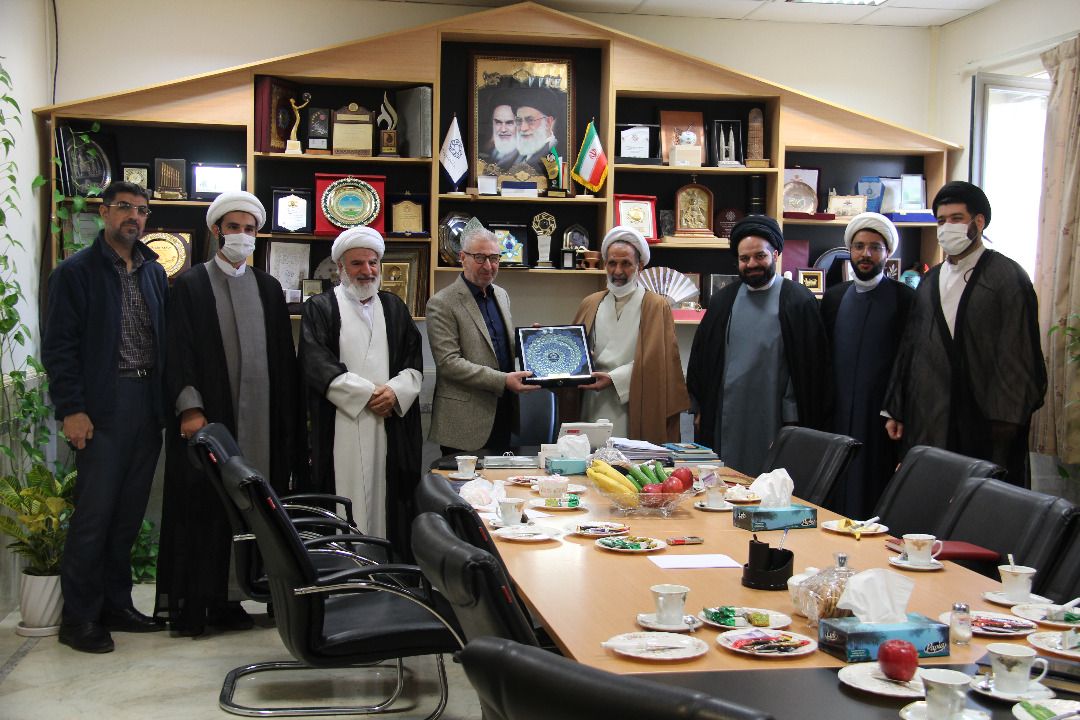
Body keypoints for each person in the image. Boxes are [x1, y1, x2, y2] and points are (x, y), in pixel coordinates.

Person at [155, 190, 302, 636]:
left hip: (263, 424)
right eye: (233, 227)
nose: (241, 235)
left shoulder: (268, 288)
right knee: (208, 509)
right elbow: (178, 352)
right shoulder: (191, 285)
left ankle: (249, 595)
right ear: (217, 230)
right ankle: (207, 602)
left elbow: (284, 360)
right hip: (212, 423)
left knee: (258, 508)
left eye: (249, 229)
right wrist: (190, 408)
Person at [42, 181, 168, 653]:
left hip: (146, 402)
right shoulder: (75, 273)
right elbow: (59, 348)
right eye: (124, 208)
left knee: (128, 515)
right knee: (94, 517)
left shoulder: (153, 271)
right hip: (101, 404)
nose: (134, 217)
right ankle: (78, 619)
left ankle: (116, 605)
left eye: (142, 210)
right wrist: (71, 409)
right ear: (104, 212)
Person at [884, 181, 1046, 486]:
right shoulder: (930, 280)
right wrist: (897, 407)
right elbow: (911, 347)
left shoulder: (1007, 278)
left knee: (979, 504)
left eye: (956, 218)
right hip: (931, 415)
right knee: (930, 498)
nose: (947, 227)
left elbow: (1018, 356)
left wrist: (1003, 427)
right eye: (941, 221)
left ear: (979, 222)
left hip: (984, 422)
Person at [299, 226, 423, 553]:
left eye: (373, 262)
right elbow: (315, 362)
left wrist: (395, 392)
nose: (367, 271)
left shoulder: (394, 308)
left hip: (388, 422)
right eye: (357, 263)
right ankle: (346, 571)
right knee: (345, 497)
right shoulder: (321, 307)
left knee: (388, 500)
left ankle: (388, 572)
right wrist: (367, 395)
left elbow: (413, 361)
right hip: (341, 420)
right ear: (340, 267)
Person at [686, 215, 831, 475]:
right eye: (745, 258)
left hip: (778, 417)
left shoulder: (798, 301)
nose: (752, 264)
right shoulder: (722, 301)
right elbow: (702, 360)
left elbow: (812, 369)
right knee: (726, 482)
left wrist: (792, 419)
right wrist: (700, 407)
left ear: (775, 254)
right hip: (727, 417)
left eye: (760, 256)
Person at [820, 212, 914, 517]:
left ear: (887, 253)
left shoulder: (905, 299)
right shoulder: (834, 298)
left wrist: (897, 409)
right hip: (837, 414)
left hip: (881, 418)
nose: (866, 254)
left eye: (875, 247)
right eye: (859, 246)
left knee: (873, 490)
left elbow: (909, 361)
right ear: (850, 250)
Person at [561, 226, 688, 443]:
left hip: (636, 403)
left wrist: (614, 378)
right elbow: (572, 352)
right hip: (592, 402)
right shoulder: (590, 303)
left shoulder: (656, 305)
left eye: (626, 263)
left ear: (640, 266)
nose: (618, 271)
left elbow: (660, 362)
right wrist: (548, 340)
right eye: (612, 263)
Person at [427, 219, 538, 455]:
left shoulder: (502, 295)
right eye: (480, 258)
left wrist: (531, 341)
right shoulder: (442, 303)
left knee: (500, 477)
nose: (488, 266)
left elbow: (500, 346)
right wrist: (503, 380)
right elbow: (449, 363)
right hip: (464, 421)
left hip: (503, 412)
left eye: (494, 258)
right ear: (462, 257)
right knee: (461, 480)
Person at [479, 101, 518, 170]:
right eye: (498, 122)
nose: (503, 129)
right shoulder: (488, 148)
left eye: (509, 123)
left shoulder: (526, 158)